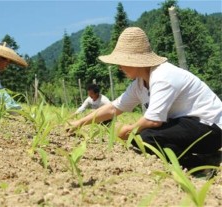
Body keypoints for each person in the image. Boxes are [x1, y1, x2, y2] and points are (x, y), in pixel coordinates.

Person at [69, 27, 222, 163]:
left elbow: (153, 121)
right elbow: (113, 108)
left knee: (146, 137)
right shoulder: (140, 83)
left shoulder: (163, 77)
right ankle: (198, 158)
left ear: (135, 61)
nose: (120, 67)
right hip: (190, 125)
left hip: (211, 128)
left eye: (122, 62)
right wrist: (79, 123)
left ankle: (199, 165)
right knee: (143, 136)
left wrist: (128, 129)